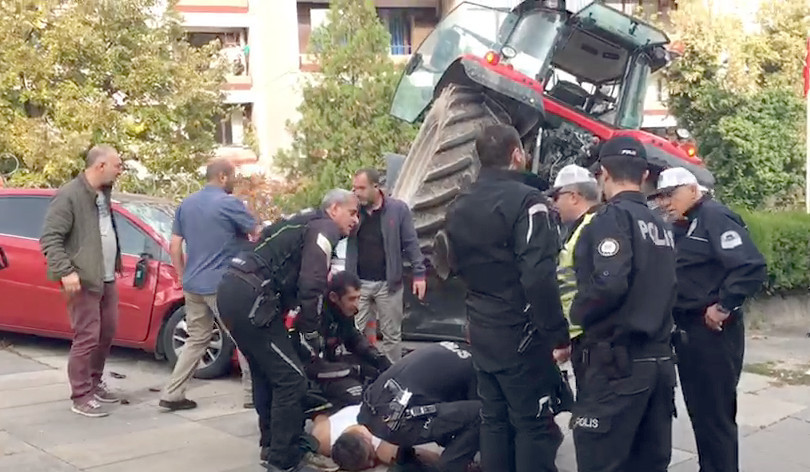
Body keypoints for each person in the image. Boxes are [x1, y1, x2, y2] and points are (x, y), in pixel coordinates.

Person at [444, 124, 570, 472]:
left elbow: (451, 265)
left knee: (494, 420)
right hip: (521, 332)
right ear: (517, 155)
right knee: (532, 423)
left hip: (481, 326)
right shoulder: (528, 203)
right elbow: (538, 277)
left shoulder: (459, 205)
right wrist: (557, 336)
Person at [216, 189, 359, 472]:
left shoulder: (302, 220)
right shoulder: (323, 228)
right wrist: (311, 330)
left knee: (267, 374)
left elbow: (266, 236)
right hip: (252, 297)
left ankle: (272, 446)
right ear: (333, 209)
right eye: (352, 212)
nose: (356, 220)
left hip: (233, 290)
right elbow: (313, 282)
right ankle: (284, 460)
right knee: (292, 379)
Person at [569, 136, 678, 472]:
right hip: (659, 362)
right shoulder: (661, 225)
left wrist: (577, 317)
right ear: (645, 174)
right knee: (647, 463)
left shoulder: (611, 219)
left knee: (602, 459)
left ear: (603, 173)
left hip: (618, 364)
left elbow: (609, 283)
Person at [657, 167, 767, 472]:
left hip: (713, 333)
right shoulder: (683, 224)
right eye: (661, 196)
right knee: (701, 413)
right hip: (687, 332)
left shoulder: (715, 218)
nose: (665, 202)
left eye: (671, 194)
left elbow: (750, 267)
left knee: (715, 417)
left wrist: (724, 305)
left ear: (693, 190)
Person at [158, 158, 258, 411]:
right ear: (223, 177)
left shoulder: (186, 204)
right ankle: (251, 395)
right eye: (232, 176)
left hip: (193, 283)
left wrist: (182, 275)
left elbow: (175, 245)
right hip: (221, 284)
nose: (234, 181)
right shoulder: (228, 203)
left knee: (196, 339)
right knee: (243, 336)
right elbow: (257, 232)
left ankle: (172, 393)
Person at [40, 145, 124, 417]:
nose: (120, 170)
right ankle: (81, 395)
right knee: (87, 336)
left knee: (106, 332)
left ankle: (94, 382)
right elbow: (50, 238)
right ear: (100, 166)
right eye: (117, 165)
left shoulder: (103, 193)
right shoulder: (70, 195)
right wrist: (66, 271)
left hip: (106, 277)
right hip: (83, 278)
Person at [343, 342, 480, 472]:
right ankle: (448, 469)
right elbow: (483, 415)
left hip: (370, 411)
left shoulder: (450, 348)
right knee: (482, 413)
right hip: (397, 422)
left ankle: (405, 462)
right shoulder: (481, 365)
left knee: (419, 393)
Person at [348, 168, 427, 362]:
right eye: (354, 188)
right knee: (357, 334)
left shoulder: (397, 209)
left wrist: (419, 274)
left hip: (389, 283)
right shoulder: (353, 211)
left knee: (392, 336)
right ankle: (364, 374)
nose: (357, 193)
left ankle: (392, 376)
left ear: (376, 187)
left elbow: (411, 243)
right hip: (359, 284)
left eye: (361, 188)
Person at [293, 270, 392, 410]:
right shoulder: (314, 317)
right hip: (309, 375)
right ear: (334, 297)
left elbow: (354, 338)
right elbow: (312, 367)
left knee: (377, 375)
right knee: (357, 393)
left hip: (330, 365)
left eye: (359, 298)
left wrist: (377, 358)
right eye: (352, 299)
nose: (357, 305)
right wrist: (354, 370)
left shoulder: (343, 311)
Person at [549, 164, 601, 380]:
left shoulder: (592, 228)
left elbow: (596, 286)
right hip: (581, 337)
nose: (554, 203)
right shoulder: (583, 227)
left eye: (556, 196)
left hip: (589, 338)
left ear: (573, 196)